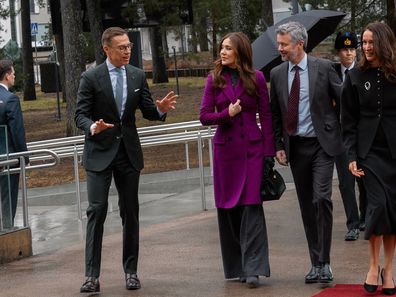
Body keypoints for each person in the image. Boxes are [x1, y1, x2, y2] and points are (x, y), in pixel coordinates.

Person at [75, 27, 178, 293]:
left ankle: (131, 271)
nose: (127, 51)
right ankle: (91, 276)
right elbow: (79, 115)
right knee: (96, 211)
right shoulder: (91, 77)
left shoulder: (136, 75)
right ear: (106, 49)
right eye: (121, 47)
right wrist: (92, 127)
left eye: (129, 46)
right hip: (99, 153)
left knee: (130, 212)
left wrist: (160, 110)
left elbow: (147, 110)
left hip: (128, 155)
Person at [200, 32, 275, 288]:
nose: (222, 52)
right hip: (225, 153)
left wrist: (269, 153)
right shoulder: (214, 79)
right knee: (230, 208)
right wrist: (226, 114)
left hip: (252, 150)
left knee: (251, 206)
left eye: (228, 48)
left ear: (240, 52)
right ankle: (238, 266)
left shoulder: (258, 77)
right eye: (221, 47)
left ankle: (253, 267)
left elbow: (266, 116)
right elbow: (204, 117)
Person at [270, 21, 343, 284]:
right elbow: (275, 113)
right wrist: (278, 144)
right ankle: (315, 263)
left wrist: (340, 132)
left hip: (322, 145)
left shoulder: (323, 68)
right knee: (306, 207)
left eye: (284, 44)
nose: (279, 48)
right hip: (296, 148)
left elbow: (344, 101)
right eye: (279, 44)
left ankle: (325, 262)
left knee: (321, 198)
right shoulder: (277, 74)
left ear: (300, 44)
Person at [341, 21, 396, 295]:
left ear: (383, 43)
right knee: (377, 206)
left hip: (394, 154)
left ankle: (389, 269)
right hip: (368, 153)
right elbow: (347, 121)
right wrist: (351, 155)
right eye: (364, 42)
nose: (366, 47)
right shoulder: (354, 77)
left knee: (392, 211)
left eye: (371, 42)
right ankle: (373, 266)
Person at [333, 31, 364, 241]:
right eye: (345, 49)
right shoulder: (331, 72)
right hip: (339, 135)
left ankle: (365, 219)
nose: (349, 53)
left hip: (361, 134)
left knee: (364, 180)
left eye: (352, 49)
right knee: (346, 182)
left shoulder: (364, 72)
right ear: (338, 52)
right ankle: (352, 223)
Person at [0, 59, 28, 229]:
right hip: (8, 155)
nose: (14, 77)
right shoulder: (10, 99)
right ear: (7, 76)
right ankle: (8, 228)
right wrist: (24, 156)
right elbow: (17, 131)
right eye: (13, 74)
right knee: (8, 195)